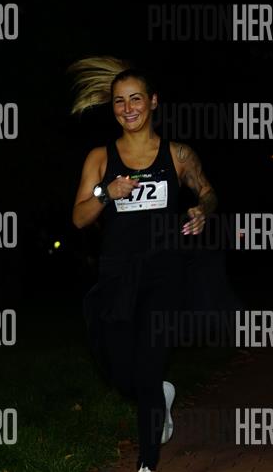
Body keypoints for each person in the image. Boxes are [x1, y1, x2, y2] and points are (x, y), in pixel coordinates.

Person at [70, 56, 217, 472]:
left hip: (164, 273)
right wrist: (106, 193)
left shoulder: (177, 154)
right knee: (121, 371)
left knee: (149, 365)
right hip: (117, 274)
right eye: (119, 101)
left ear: (153, 102)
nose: (128, 108)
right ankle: (160, 397)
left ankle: (147, 463)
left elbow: (208, 193)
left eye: (136, 99)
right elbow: (78, 218)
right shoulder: (100, 158)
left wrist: (202, 211)